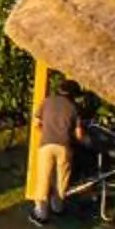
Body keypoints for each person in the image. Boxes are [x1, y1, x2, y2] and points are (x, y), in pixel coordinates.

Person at [33, 78, 78, 220]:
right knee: (61, 178)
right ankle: (57, 206)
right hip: (64, 146)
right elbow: (79, 134)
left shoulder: (47, 101)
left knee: (43, 177)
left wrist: (45, 132)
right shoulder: (73, 107)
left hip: (46, 145)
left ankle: (41, 211)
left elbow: (36, 123)